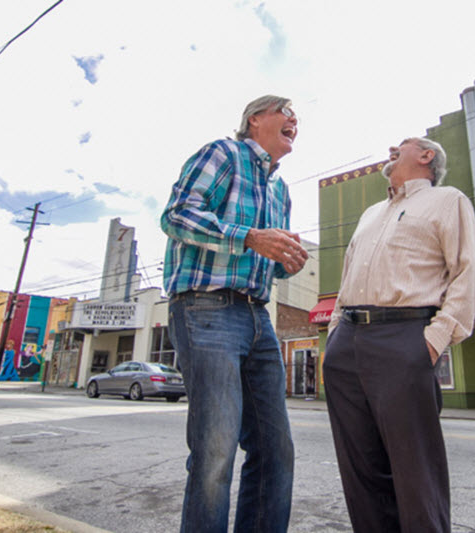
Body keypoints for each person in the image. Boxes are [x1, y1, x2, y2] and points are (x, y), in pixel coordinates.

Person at [161, 94, 308, 533]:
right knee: (215, 448)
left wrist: (285, 261)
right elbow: (177, 216)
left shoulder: (280, 189)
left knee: (275, 448)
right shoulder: (222, 153)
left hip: (257, 317)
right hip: (205, 309)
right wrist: (249, 237)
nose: (295, 120)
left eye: (297, 118)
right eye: (286, 112)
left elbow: (265, 256)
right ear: (255, 119)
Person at [323, 137, 475, 532]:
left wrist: (434, 340)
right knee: (361, 472)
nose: (393, 148)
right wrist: (333, 337)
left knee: (416, 473)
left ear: (427, 156)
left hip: (405, 338)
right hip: (347, 343)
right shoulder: (371, 214)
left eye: (405, 144)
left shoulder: (448, 200)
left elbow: (469, 273)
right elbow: (347, 280)